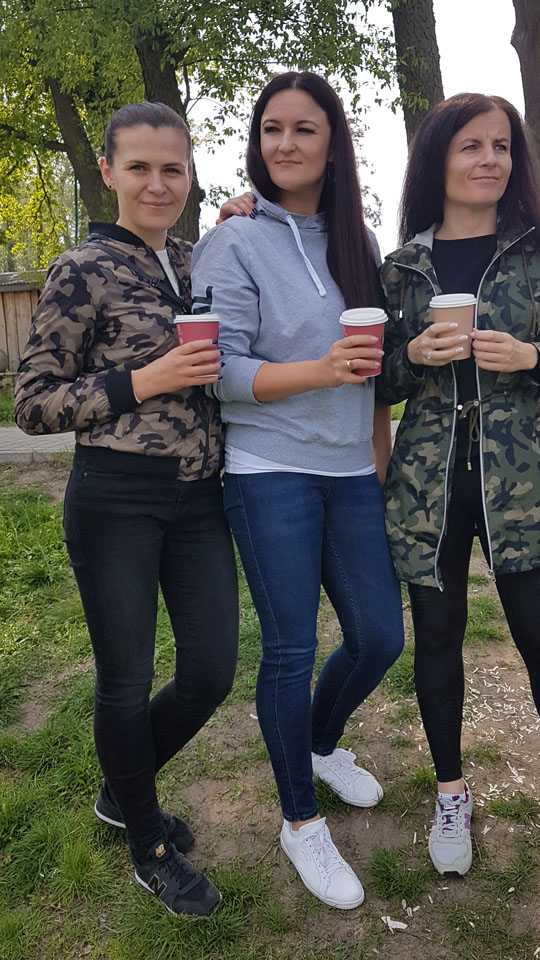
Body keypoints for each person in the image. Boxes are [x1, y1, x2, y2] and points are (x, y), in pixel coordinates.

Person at [375, 93, 540, 894]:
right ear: (438, 160)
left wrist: (531, 357)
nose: (489, 159)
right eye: (471, 146)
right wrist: (412, 354)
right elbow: (379, 377)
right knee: (437, 642)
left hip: (525, 482)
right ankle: (451, 795)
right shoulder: (402, 266)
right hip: (431, 482)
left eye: (502, 146)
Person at [14, 102, 239, 916]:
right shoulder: (81, 267)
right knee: (126, 679)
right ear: (107, 171)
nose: (156, 183)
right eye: (139, 167)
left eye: (172, 168)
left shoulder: (193, 259)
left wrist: (246, 219)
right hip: (117, 498)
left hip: (200, 497)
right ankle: (148, 843)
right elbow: (33, 402)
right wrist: (144, 381)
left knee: (212, 670)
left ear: (190, 174)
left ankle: (122, 790)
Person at [191, 71, 405, 910]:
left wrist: (377, 463)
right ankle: (299, 820)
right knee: (289, 650)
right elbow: (220, 373)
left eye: (304, 128)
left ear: (333, 144)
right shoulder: (235, 240)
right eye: (271, 128)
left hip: (350, 471)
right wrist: (319, 370)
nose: (285, 143)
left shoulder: (359, 242)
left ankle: (317, 744)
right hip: (268, 469)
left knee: (379, 637)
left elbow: (376, 377)